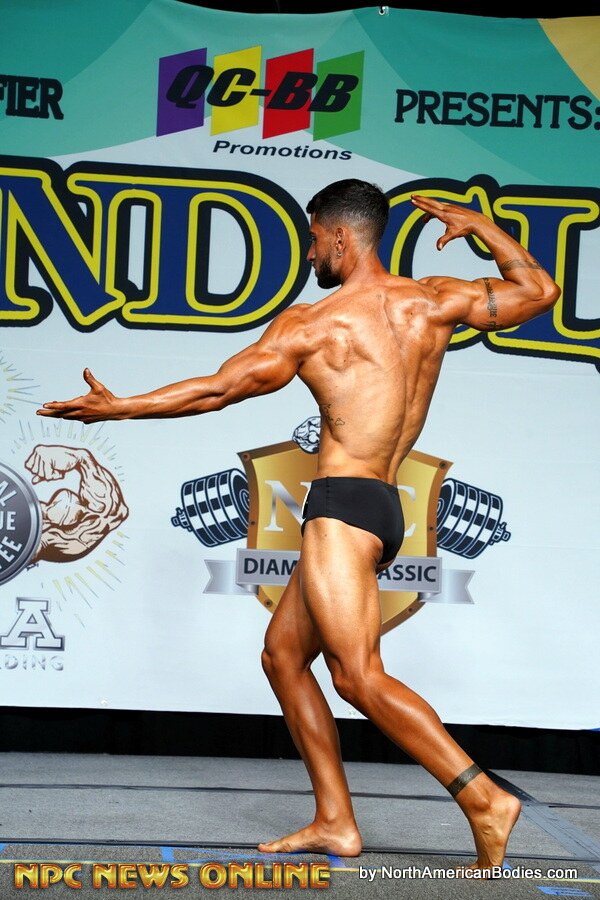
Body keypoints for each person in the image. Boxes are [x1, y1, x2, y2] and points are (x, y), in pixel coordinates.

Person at [37, 180, 560, 872]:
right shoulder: (433, 301)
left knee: (357, 676)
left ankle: (482, 796)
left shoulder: (315, 324)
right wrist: (483, 228)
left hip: (340, 508)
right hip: (384, 506)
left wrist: (122, 407)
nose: (310, 253)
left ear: (340, 236)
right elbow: (539, 290)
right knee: (283, 657)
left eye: (313, 239)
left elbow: (220, 389)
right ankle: (335, 821)